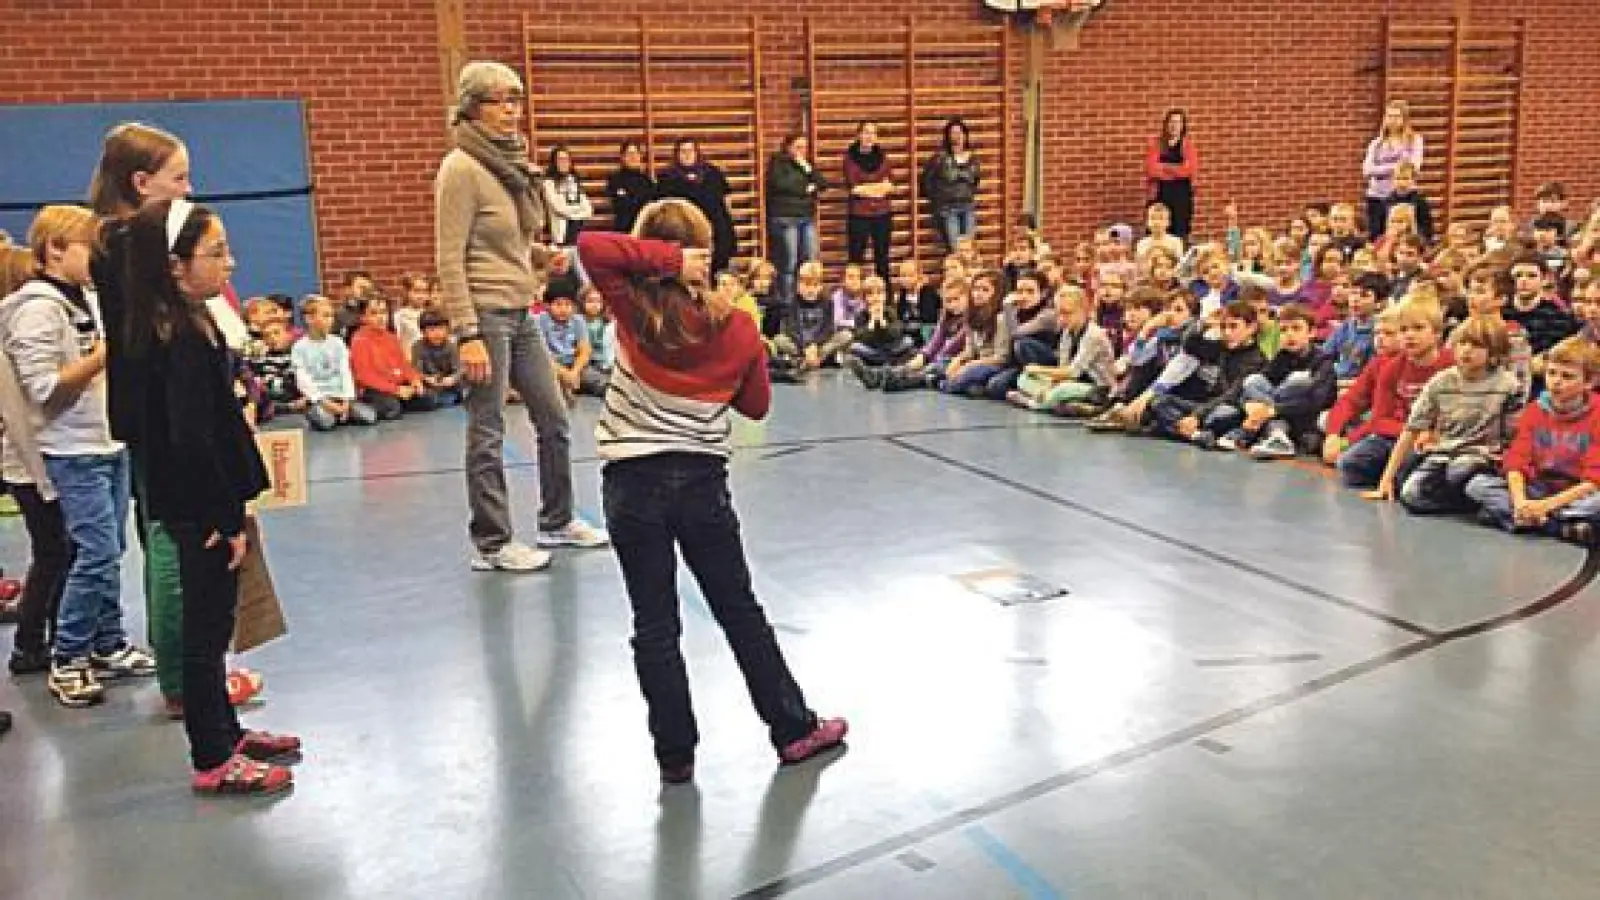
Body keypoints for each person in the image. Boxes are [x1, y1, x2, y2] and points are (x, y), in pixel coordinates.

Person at [575, 200, 847, 784]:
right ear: (702, 253)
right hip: (701, 485)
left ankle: (675, 756)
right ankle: (794, 730)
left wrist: (667, 263)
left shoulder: (631, 309)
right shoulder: (738, 324)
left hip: (631, 484)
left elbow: (592, 248)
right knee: (740, 611)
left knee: (654, 624)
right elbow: (755, 405)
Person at [120, 198, 299, 794]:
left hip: (206, 505)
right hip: (201, 512)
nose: (231, 261)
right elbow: (189, 441)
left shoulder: (189, 322)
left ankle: (225, 729)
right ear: (174, 267)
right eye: (216, 252)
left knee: (215, 628)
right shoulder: (174, 338)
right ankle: (212, 757)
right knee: (203, 634)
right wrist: (223, 517)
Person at [435, 61, 607, 574]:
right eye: (498, 99)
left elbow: (503, 241)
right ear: (472, 107)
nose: (511, 109)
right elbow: (450, 256)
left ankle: (556, 519)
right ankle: (491, 542)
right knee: (486, 429)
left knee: (554, 418)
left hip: (520, 308)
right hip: (484, 314)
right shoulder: (461, 169)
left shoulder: (509, 166)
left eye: (516, 98)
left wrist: (537, 256)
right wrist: (467, 334)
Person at [0, 205, 153, 709]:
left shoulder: (87, 297)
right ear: (55, 250)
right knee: (93, 554)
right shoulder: (37, 309)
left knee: (111, 551)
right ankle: (67, 655)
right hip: (71, 449)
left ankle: (108, 643)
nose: (97, 259)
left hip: (106, 440)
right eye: (88, 247)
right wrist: (105, 354)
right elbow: (43, 388)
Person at [0, 245, 70, 680]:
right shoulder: (14, 340)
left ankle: (43, 632)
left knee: (56, 550)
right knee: (53, 551)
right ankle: (30, 642)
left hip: (32, 457)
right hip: (28, 461)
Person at [1367, 315, 1519, 514]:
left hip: (1483, 458)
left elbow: (1514, 436)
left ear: (1493, 351)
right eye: (1462, 343)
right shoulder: (1440, 382)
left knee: (1461, 469)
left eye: (1476, 345)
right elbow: (1411, 430)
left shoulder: (1507, 385)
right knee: (1411, 495)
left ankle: (1478, 496)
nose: (1466, 350)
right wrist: (1385, 481)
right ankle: (1464, 504)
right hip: (1443, 455)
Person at [1465, 336, 1600, 545]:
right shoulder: (1535, 410)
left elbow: (1594, 479)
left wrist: (1545, 506)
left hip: (1576, 492)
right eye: (1551, 373)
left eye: (1568, 376)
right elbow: (1516, 461)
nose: (1556, 382)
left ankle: (1518, 519)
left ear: (1589, 382)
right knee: (1477, 485)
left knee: (1596, 503)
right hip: (1539, 487)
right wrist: (1520, 502)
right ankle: (1557, 527)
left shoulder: (1597, 415)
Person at [1324, 301, 1453, 487]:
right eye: (1403, 330)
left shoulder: (1451, 365)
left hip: (1436, 437)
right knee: (1349, 464)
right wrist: (1333, 436)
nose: (1409, 335)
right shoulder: (1387, 367)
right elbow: (1371, 412)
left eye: (1417, 328)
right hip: (1397, 434)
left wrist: (1432, 433)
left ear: (1437, 334)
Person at [1209, 304, 1338, 458]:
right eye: (1284, 330)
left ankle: (1247, 434)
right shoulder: (1283, 356)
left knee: (1298, 380)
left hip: (1306, 419)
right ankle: (1278, 436)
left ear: (1311, 333)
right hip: (1279, 415)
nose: (1289, 335)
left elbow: (1315, 402)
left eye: (1296, 329)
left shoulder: (1323, 361)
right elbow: (1255, 387)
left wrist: (1271, 410)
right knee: (1253, 381)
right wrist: (1249, 405)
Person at [1006, 283, 1116, 414]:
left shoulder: (1094, 335)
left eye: (1067, 313)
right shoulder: (1066, 332)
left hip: (1097, 387)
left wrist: (1039, 369)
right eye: (1059, 314)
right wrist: (1050, 384)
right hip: (1073, 382)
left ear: (1084, 311)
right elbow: (1063, 366)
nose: (1062, 319)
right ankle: (1060, 401)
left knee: (1061, 390)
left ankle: (1032, 402)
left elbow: (1072, 372)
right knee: (1024, 378)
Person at [848, 275, 969, 392]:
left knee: (923, 358)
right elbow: (934, 343)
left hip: (955, 360)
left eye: (956, 299)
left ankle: (886, 377)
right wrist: (922, 357)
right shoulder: (861, 314)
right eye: (948, 301)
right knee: (916, 365)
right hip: (876, 349)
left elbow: (954, 345)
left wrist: (882, 322)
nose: (953, 304)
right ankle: (882, 375)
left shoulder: (969, 320)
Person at [293, 296, 378, 431]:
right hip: (320, 398)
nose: (330, 321)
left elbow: (345, 372)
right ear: (309, 319)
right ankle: (324, 412)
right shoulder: (300, 347)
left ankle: (342, 413)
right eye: (325, 316)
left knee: (369, 417)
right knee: (326, 422)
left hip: (339, 395)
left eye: (331, 316)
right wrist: (322, 401)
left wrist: (346, 400)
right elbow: (303, 380)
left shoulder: (337, 342)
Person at [765, 134, 827, 310]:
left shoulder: (805, 165)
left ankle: (810, 299)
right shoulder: (778, 163)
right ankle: (787, 302)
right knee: (789, 262)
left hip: (806, 217)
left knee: (811, 260)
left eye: (804, 147)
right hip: (785, 218)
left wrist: (807, 169)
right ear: (788, 147)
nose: (801, 151)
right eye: (798, 147)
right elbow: (781, 184)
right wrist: (805, 188)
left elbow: (822, 183)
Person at [350, 296, 437, 420]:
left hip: (397, 385)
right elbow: (365, 377)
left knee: (429, 398)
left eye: (383, 312)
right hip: (374, 389)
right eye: (374, 313)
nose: (381, 317)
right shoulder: (359, 340)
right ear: (363, 318)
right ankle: (361, 408)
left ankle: (399, 402)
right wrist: (396, 390)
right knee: (392, 408)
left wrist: (415, 381)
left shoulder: (392, 337)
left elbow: (404, 365)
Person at [659, 138, 737, 275]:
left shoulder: (712, 173)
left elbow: (726, 200)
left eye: (690, 150)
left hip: (716, 229)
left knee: (719, 269)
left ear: (697, 152)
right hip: (687, 232)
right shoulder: (667, 178)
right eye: (683, 151)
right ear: (676, 154)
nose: (687, 154)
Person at [1362, 100, 1425, 243]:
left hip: (1402, 196)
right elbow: (1367, 170)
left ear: (1404, 119)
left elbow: (1414, 166)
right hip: (1377, 196)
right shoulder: (1377, 143)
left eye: (1397, 116)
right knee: (1377, 236)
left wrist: (1382, 169)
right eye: (1389, 116)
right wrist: (1395, 166)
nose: (1392, 120)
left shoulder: (1414, 140)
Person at [843, 121, 894, 283]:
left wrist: (868, 189)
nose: (869, 136)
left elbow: (888, 186)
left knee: (882, 257)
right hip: (859, 215)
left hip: (882, 214)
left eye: (873, 133)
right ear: (859, 135)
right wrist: (876, 189)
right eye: (866, 132)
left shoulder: (883, 157)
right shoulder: (850, 158)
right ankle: (853, 293)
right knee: (856, 258)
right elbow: (855, 188)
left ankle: (885, 297)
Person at [921, 118, 981, 251]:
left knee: (970, 249)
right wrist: (938, 200)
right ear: (947, 136)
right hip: (948, 209)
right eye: (953, 133)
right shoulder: (939, 158)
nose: (957, 136)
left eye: (960, 133)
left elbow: (976, 181)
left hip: (968, 207)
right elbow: (926, 182)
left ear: (965, 136)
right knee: (956, 249)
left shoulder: (972, 158)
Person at [537, 292, 607, 399]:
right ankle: (565, 387)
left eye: (568, 305)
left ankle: (570, 385)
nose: (563, 309)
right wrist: (564, 374)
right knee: (541, 381)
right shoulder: (540, 320)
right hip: (549, 366)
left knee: (598, 381)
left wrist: (574, 372)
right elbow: (540, 355)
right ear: (548, 306)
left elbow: (585, 350)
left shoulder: (578, 320)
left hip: (573, 364)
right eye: (558, 304)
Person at [1145, 109, 1198, 240]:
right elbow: (1152, 170)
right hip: (1160, 195)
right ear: (1166, 124)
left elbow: (1188, 170)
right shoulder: (1156, 145)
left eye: (1178, 122)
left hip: (1181, 197)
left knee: (1180, 234)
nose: (1174, 125)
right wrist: (1176, 170)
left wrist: (1164, 167)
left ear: (1183, 126)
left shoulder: (1188, 146)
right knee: (1157, 232)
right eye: (1171, 122)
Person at [604, 140, 658, 236]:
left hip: (644, 228)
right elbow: (620, 206)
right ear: (622, 157)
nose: (633, 157)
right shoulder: (615, 180)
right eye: (629, 154)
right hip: (624, 229)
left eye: (636, 153)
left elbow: (650, 206)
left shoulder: (647, 181)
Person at [543, 144, 592, 246]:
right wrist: (578, 211)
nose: (564, 163)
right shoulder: (549, 183)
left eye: (566, 159)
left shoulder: (574, 181)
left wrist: (573, 213)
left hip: (579, 231)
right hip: (562, 235)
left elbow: (588, 210)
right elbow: (559, 208)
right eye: (560, 159)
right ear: (554, 162)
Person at [413, 310, 466, 406]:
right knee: (424, 394)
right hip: (430, 384)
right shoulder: (417, 347)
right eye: (432, 330)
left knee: (464, 384)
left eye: (441, 329)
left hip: (449, 383)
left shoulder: (451, 346)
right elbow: (416, 370)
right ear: (423, 332)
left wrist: (452, 378)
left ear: (447, 329)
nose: (437, 333)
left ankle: (450, 397)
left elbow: (459, 368)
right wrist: (427, 378)